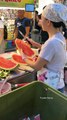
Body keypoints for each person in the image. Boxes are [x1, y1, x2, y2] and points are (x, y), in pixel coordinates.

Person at [20, 3, 67, 93]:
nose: (40, 21)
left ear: (48, 22)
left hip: (50, 87)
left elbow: (37, 66)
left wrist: (24, 57)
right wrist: (35, 44)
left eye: (41, 18)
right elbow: (53, 51)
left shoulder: (51, 42)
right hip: (58, 84)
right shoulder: (60, 37)